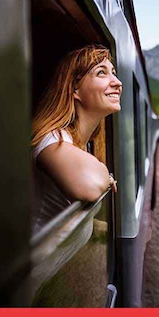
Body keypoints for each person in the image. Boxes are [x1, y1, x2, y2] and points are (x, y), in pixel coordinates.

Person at [30, 44, 120, 235]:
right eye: (101, 73)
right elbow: (91, 184)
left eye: (114, 72)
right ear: (75, 89)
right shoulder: (53, 139)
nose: (117, 82)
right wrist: (106, 174)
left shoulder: (78, 142)